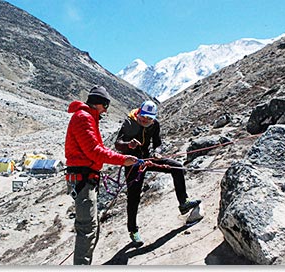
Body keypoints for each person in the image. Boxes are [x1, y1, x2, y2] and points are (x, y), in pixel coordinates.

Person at [65, 85, 138, 265]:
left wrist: (125, 152)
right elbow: (94, 151)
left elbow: (97, 148)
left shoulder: (88, 117)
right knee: (87, 228)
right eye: (106, 106)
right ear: (100, 103)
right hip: (83, 179)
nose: (106, 110)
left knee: (91, 227)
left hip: (85, 177)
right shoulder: (83, 118)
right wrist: (122, 160)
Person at [114, 100, 201, 247]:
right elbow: (117, 143)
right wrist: (128, 145)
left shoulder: (154, 125)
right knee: (134, 197)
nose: (145, 121)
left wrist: (157, 152)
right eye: (143, 118)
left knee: (177, 167)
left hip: (148, 159)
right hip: (132, 163)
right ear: (139, 113)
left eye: (148, 119)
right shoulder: (129, 123)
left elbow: (157, 142)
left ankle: (183, 202)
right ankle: (133, 230)